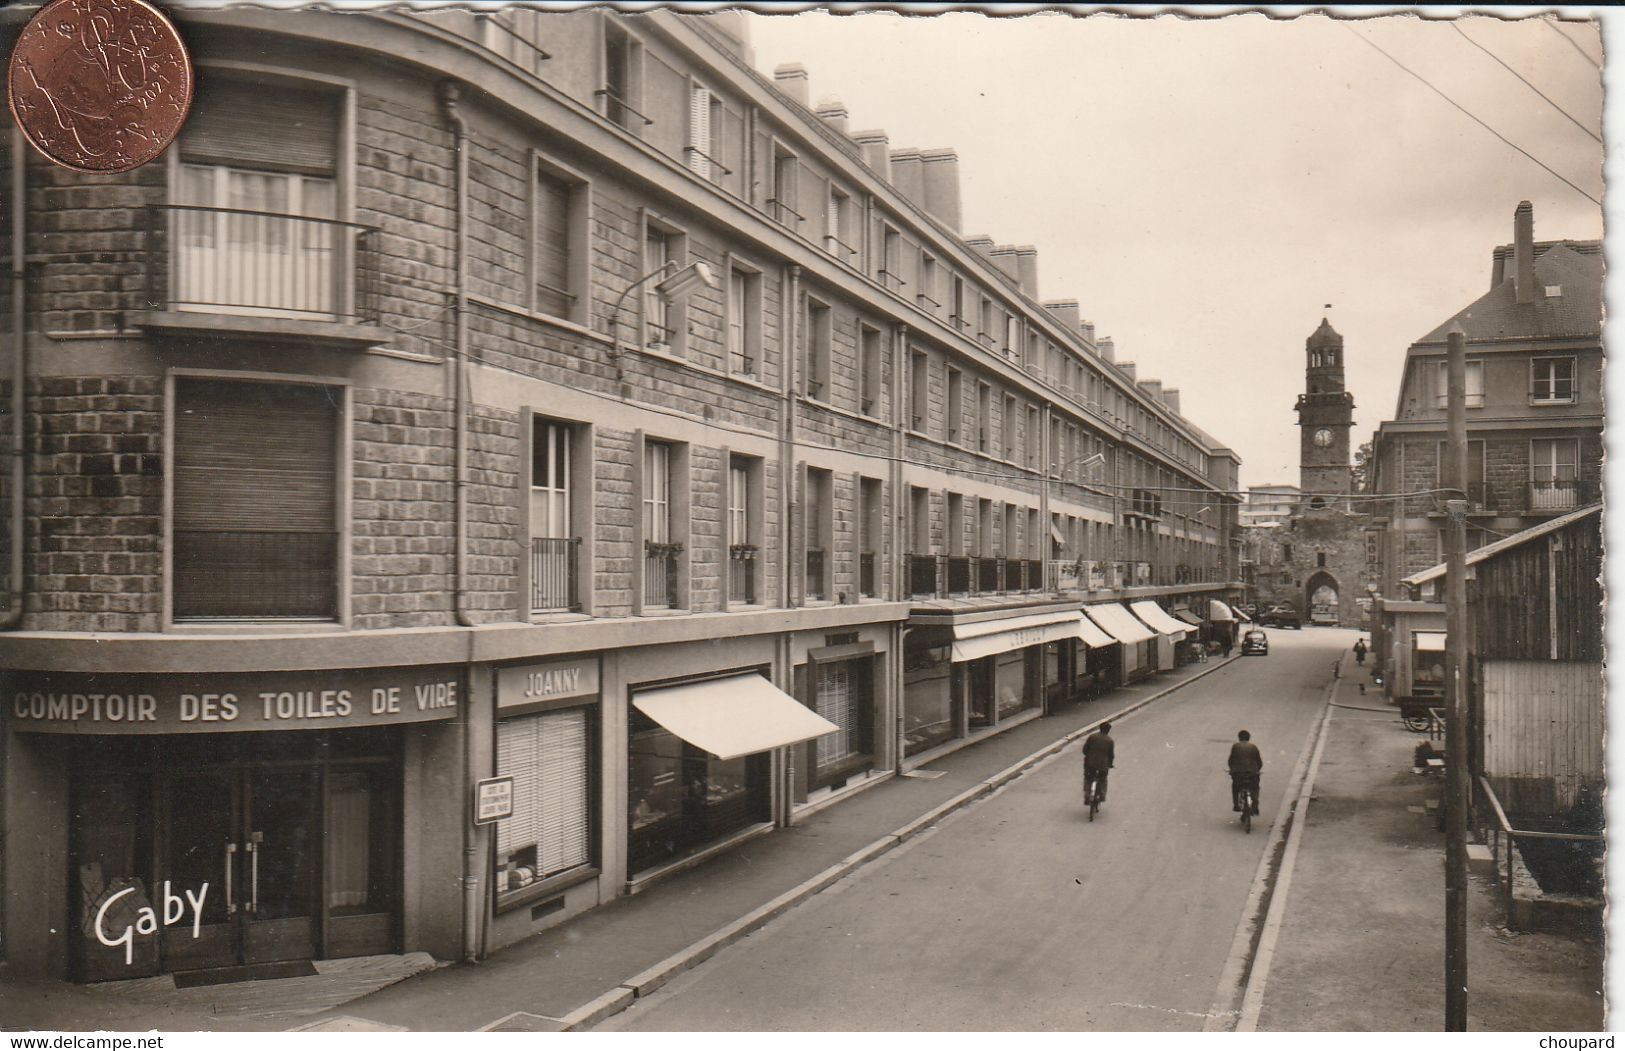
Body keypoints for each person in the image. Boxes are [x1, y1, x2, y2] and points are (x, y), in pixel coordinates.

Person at [1228, 729, 1262, 815]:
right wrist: (1257, 770)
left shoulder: (1235, 746)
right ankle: (1255, 806)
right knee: (1255, 788)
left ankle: (1236, 805)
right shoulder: (1253, 747)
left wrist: (1232, 770)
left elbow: (1231, 761)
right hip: (1252, 774)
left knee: (1235, 787)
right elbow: (1259, 762)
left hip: (1238, 774)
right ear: (1249, 738)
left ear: (1239, 738)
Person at [1082, 721, 1115, 805]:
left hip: (1090, 764)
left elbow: (1085, 750)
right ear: (1108, 730)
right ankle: (1102, 795)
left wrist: (1088, 756)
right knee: (1103, 779)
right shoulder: (1110, 741)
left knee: (1088, 778)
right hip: (1103, 766)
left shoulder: (1092, 737)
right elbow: (1111, 755)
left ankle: (1087, 795)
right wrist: (1110, 764)